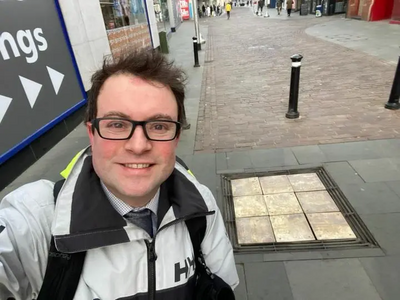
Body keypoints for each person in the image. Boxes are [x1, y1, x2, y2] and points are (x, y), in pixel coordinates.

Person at [0, 50, 239, 299]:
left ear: (176, 137)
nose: (138, 146)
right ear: (92, 134)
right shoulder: (37, 220)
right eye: (117, 124)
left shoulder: (201, 207)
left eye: (158, 126)